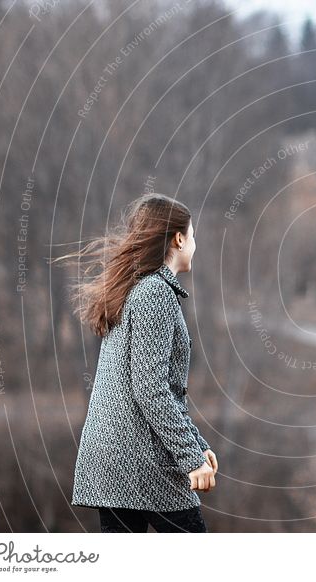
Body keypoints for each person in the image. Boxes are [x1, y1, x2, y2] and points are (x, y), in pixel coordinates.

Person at [56, 193, 218, 532]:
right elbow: (151, 389)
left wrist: (197, 445)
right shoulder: (154, 293)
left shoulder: (133, 289)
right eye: (193, 235)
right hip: (140, 463)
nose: (195, 244)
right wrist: (191, 459)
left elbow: (160, 390)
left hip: (111, 464)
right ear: (178, 239)